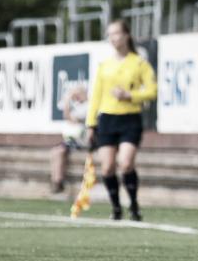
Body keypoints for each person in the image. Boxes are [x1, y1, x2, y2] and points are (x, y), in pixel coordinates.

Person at [86, 19, 157, 221]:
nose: (113, 38)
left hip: (130, 119)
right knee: (107, 167)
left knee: (125, 163)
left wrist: (130, 96)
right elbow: (96, 96)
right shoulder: (104, 66)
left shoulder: (139, 63)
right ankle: (116, 207)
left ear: (126, 35)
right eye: (110, 34)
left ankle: (133, 205)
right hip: (107, 120)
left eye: (116, 33)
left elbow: (152, 91)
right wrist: (91, 123)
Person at [50, 85, 88, 193]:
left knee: (59, 151)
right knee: (55, 152)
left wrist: (67, 99)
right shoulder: (77, 106)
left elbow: (69, 118)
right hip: (71, 139)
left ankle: (58, 182)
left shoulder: (87, 106)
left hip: (80, 140)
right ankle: (55, 180)